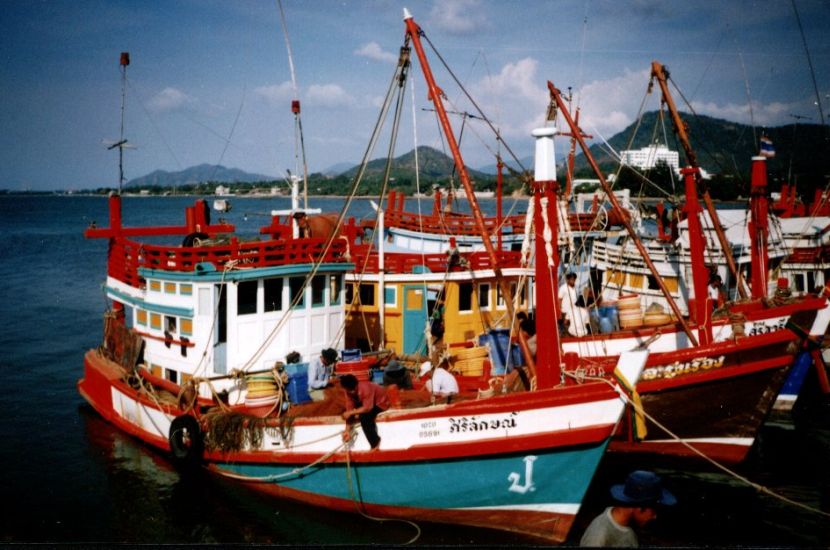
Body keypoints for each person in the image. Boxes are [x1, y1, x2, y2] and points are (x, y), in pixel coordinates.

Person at [580, 470, 676, 547]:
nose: (655, 516)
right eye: (653, 510)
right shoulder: (598, 537)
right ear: (638, 508)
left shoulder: (628, 526)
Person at [340, 373, 390, 450]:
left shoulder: (366, 388)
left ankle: (375, 443)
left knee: (364, 417)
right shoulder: (348, 393)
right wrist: (347, 430)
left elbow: (368, 408)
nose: (352, 392)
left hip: (381, 403)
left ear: (356, 384)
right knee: (353, 414)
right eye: (350, 390)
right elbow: (349, 410)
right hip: (366, 403)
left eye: (353, 389)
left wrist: (351, 413)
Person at [559, 272, 590, 337]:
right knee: (566, 326)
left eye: (574, 279)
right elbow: (559, 300)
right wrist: (559, 311)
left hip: (574, 310)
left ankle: (575, 337)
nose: (573, 281)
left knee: (575, 325)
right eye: (571, 279)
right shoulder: (563, 288)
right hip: (565, 310)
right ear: (568, 280)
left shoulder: (575, 287)